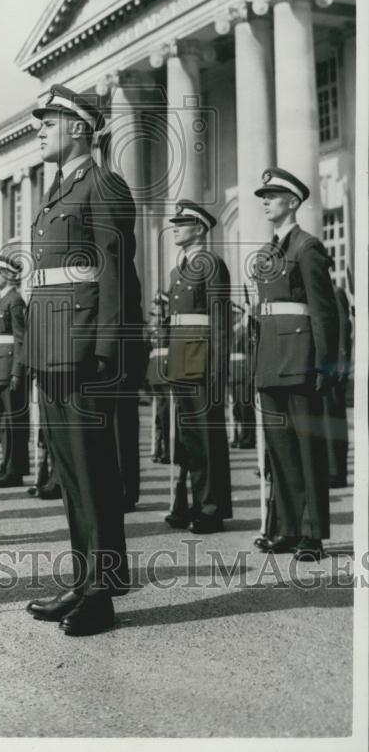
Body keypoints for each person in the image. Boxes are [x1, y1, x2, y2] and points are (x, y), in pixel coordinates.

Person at [24, 84, 142, 637]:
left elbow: (116, 276)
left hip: (82, 351)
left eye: (48, 121)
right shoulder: (57, 189)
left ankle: (103, 590)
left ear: (77, 127)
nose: (40, 130)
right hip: (52, 348)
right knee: (71, 472)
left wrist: (104, 351)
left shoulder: (103, 184)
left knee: (94, 472)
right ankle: (83, 578)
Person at [251, 167, 338, 562]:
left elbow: (323, 311)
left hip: (301, 359)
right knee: (280, 451)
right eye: (263, 196)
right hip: (271, 360)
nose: (265, 201)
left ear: (293, 202)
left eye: (272, 195)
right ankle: (285, 529)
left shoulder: (307, 246)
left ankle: (311, 535)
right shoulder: (269, 252)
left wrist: (325, 365)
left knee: (307, 451)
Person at [164, 199, 233, 535]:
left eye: (182, 222)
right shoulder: (178, 270)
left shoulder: (211, 263)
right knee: (188, 440)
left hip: (203, 362)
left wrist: (219, 369)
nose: (175, 227)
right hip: (181, 361)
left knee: (206, 439)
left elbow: (220, 320)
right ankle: (187, 504)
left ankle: (211, 508)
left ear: (200, 228)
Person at [0, 251, 29, 488]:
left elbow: (20, 339)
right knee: (1, 422)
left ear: (9, 275)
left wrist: (16, 371)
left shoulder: (15, 301)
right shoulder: (2, 300)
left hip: (9, 368)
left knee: (12, 423)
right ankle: (4, 466)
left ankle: (14, 470)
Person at [324, 282, 352, 488]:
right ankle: (330, 469)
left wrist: (342, 364)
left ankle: (337, 473)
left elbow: (344, 327)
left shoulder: (336, 292)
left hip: (333, 367)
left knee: (334, 421)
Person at [229, 293, 257, 450]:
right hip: (234, 374)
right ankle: (240, 435)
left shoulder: (245, 330)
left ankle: (248, 437)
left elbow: (249, 352)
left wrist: (250, 373)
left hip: (244, 372)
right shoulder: (232, 331)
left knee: (246, 408)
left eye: (235, 315)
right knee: (237, 409)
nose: (232, 317)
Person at [145, 292, 171, 464]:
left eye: (157, 306)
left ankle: (169, 450)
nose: (154, 310)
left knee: (166, 414)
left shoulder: (169, 324)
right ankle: (159, 447)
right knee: (159, 415)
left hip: (166, 372)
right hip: (155, 372)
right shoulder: (153, 326)